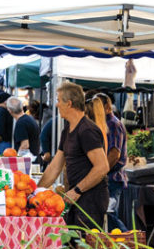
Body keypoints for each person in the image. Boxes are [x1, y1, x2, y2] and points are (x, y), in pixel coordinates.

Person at [38, 82, 110, 230]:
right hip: (75, 198)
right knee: (71, 246)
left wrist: (77, 190)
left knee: (84, 248)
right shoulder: (67, 130)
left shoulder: (87, 131)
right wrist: (35, 192)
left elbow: (102, 167)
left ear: (69, 103)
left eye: (58, 100)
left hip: (91, 199)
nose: (57, 105)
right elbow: (54, 167)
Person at [99, 92, 128, 230]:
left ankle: (129, 241)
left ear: (107, 106)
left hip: (112, 178)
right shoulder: (105, 123)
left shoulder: (113, 124)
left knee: (110, 215)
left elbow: (114, 154)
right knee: (108, 216)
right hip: (109, 177)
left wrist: (101, 173)